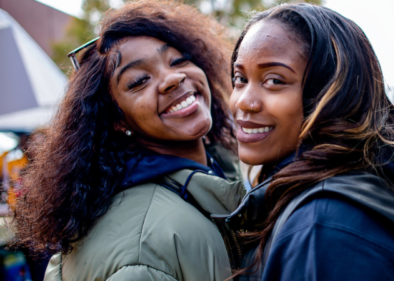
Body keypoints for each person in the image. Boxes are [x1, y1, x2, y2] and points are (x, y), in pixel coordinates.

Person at [212, 4, 394, 280]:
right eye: (240, 78)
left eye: (274, 80)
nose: (244, 101)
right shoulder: (334, 195)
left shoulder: (324, 226)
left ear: (332, 93)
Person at [11, 1, 245, 280]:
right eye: (139, 81)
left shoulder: (224, 170)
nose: (173, 78)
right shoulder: (143, 249)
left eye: (178, 59)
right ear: (117, 120)